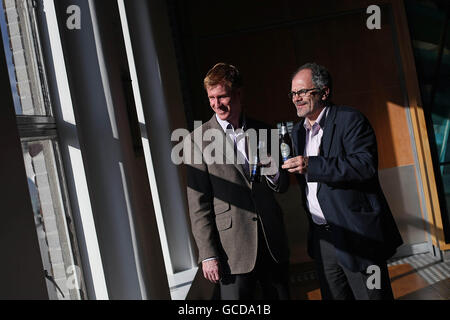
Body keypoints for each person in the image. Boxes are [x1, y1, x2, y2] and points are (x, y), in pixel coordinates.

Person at [282, 62, 403, 300]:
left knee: (373, 296)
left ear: (324, 92)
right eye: (293, 93)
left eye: (303, 92)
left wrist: (312, 164)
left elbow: (364, 165)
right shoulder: (297, 132)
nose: (296, 98)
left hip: (358, 234)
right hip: (322, 238)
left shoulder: (351, 120)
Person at [185, 62, 290, 300]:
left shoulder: (264, 131)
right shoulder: (196, 141)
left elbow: (282, 185)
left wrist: (273, 171)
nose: (216, 104)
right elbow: (198, 204)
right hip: (231, 250)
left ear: (239, 94)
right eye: (211, 97)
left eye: (222, 96)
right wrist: (208, 255)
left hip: (272, 243)